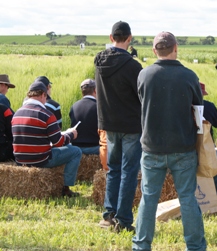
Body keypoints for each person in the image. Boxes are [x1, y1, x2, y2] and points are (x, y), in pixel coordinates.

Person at [132, 31, 206, 251]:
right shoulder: (189, 76)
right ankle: (195, 247)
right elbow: (198, 109)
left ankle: (141, 246)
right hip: (183, 147)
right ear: (176, 48)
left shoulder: (144, 75)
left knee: (148, 199)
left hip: (152, 147)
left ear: (155, 50)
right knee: (188, 199)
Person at [95, 21, 143, 233]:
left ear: (111, 36)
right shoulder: (133, 66)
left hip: (109, 123)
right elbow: (140, 96)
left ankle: (108, 215)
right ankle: (123, 220)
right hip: (131, 124)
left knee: (113, 169)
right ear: (129, 38)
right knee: (129, 171)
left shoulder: (99, 61)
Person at [11, 81, 82, 197]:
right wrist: (70, 135)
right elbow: (58, 142)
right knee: (75, 151)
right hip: (40, 159)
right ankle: (66, 188)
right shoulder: (46, 114)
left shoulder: (17, 113)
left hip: (20, 160)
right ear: (43, 95)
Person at [200, 82, 217, 196]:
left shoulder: (183, 106)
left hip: (187, 144)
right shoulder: (209, 106)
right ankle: (216, 191)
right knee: (216, 159)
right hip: (207, 144)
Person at [69, 79, 100, 155]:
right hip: (95, 147)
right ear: (95, 90)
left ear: (82, 92)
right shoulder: (99, 107)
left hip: (76, 147)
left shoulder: (74, 106)